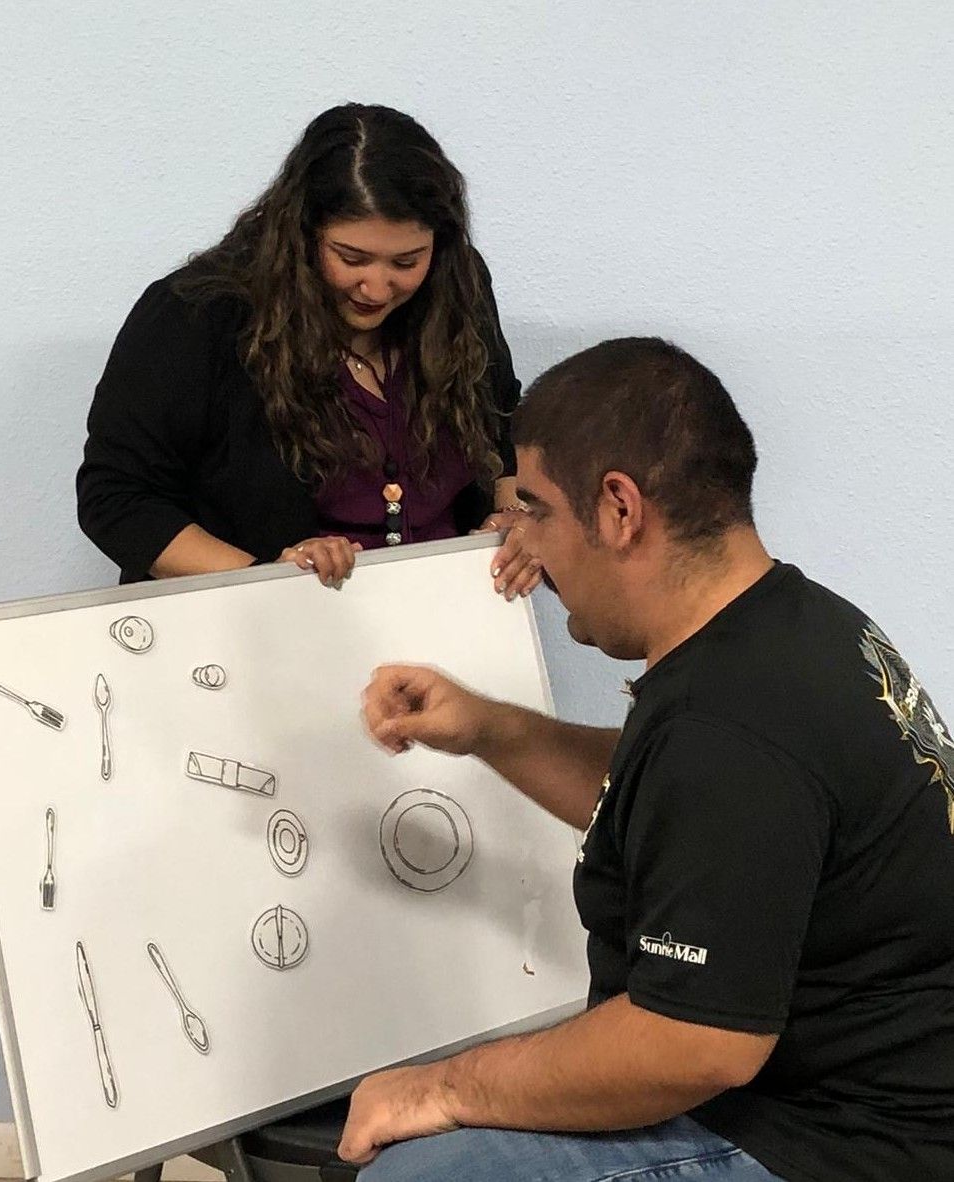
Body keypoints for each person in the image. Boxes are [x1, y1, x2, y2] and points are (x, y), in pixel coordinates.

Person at [345, 338, 954, 1181]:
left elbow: (692, 1044)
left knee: (413, 1177)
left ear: (619, 509)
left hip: (836, 1139)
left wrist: (442, 1088)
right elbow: (675, 811)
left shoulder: (731, 726)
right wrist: (488, 727)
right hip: (866, 1089)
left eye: (535, 510)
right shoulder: (793, 622)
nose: (522, 543)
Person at [77, 103, 539, 598]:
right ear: (300, 234)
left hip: (446, 616)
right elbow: (117, 497)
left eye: (406, 261)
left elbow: (503, 419)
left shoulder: (456, 288)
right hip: (261, 633)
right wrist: (267, 575)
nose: (378, 288)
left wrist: (515, 512)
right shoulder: (196, 316)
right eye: (352, 258)